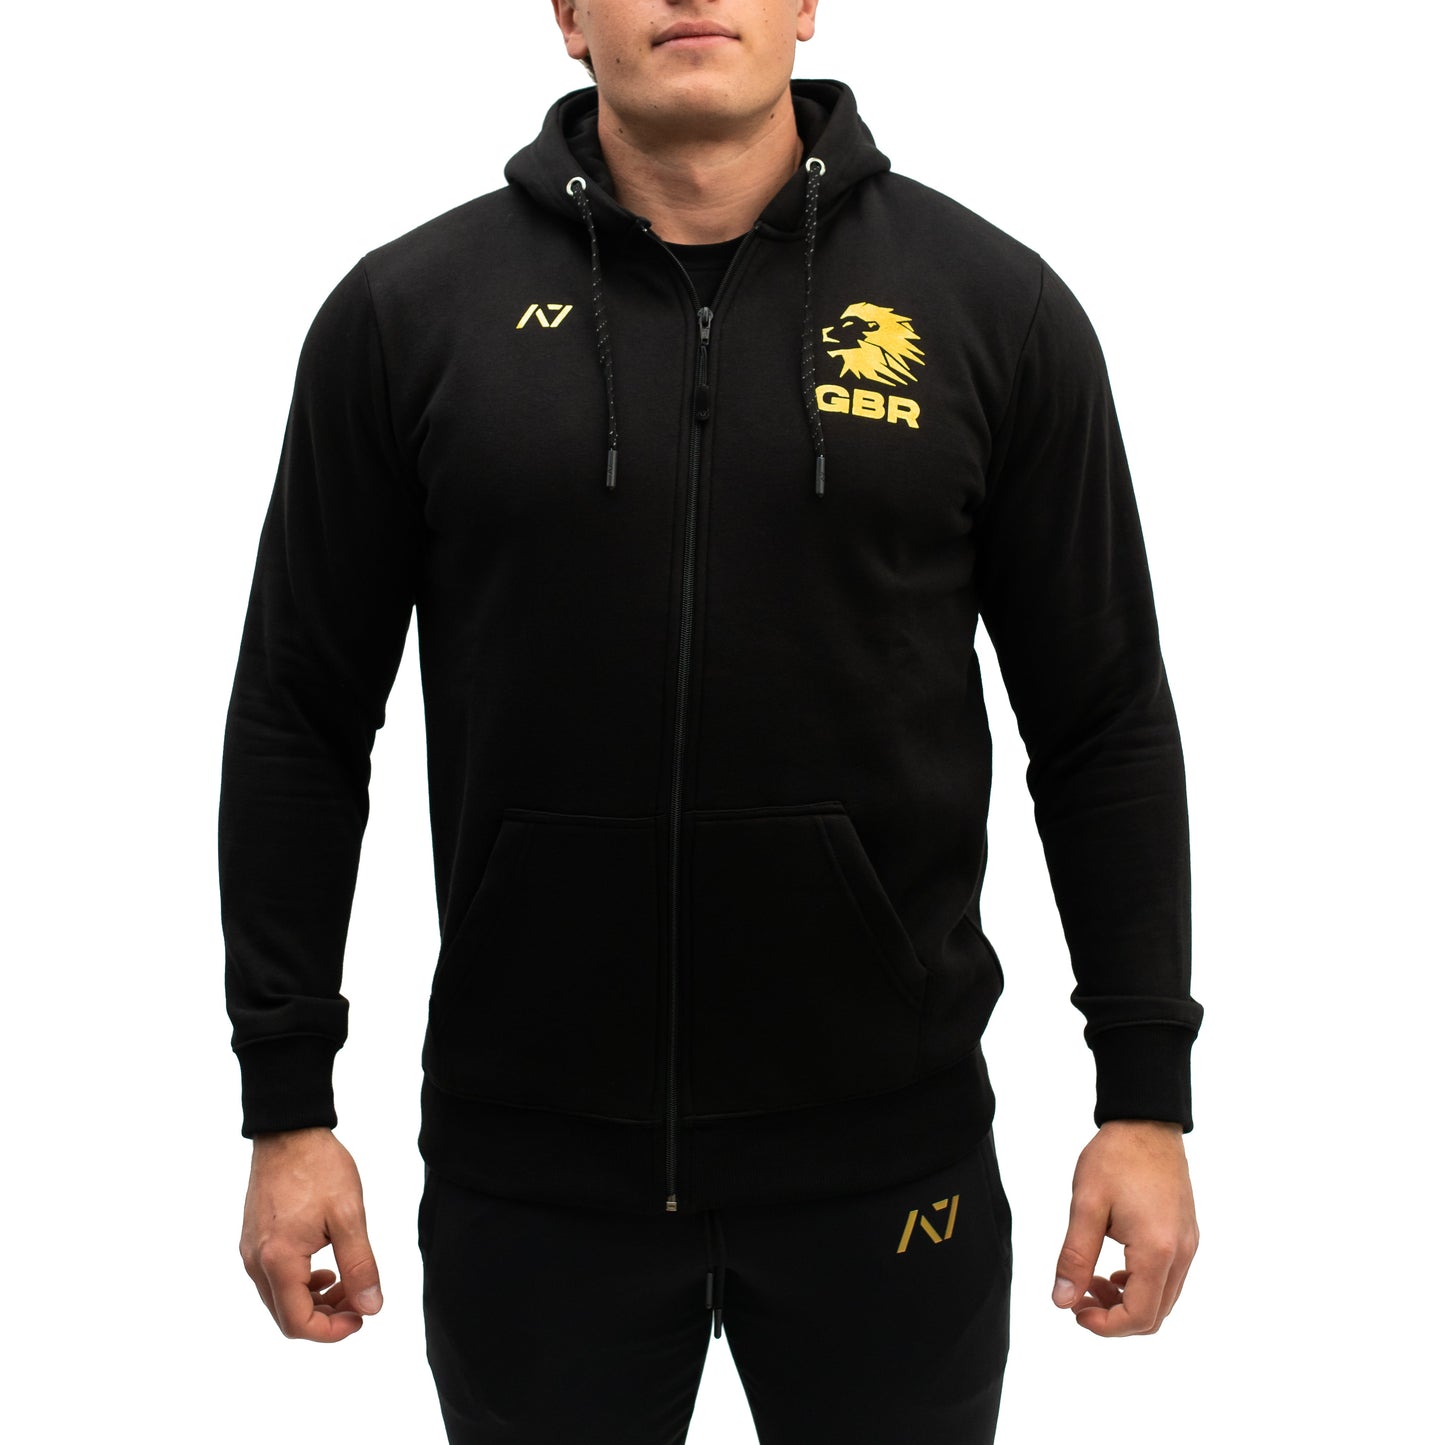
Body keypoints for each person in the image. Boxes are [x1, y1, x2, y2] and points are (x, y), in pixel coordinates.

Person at [222, 2, 1204, 1441]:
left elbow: (1101, 716)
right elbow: (301, 717)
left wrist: (1145, 1096)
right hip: (532, 1173)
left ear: (804, 5)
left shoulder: (987, 308)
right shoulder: (410, 316)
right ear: (569, 16)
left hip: (888, 1161)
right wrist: (287, 1104)